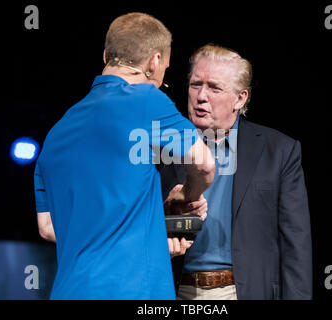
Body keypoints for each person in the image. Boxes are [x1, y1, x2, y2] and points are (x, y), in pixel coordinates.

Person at [33, 13, 215, 300]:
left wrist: (150, 234)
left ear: (106, 54)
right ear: (155, 62)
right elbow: (204, 165)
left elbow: (47, 228)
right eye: (165, 69)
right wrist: (186, 197)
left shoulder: (57, 132)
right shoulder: (145, 99)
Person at [160, 44, 312, 300]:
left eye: (214, 87)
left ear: (240, 99)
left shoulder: (279, 151)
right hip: (175, 291)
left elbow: (296, 243)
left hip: (246, 292)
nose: (201, 96)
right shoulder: (162, 146)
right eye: (196, 84)